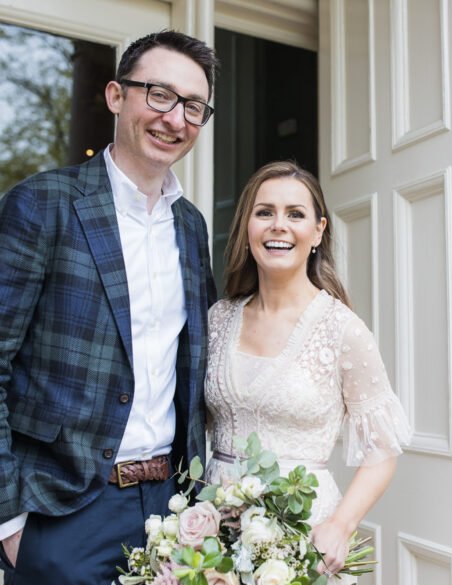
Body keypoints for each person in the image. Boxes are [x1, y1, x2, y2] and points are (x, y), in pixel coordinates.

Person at [0, 30, 218, 585]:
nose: (176, 118)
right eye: (160, 94)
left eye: (194, 106)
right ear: (117, 96)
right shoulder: (41, 204)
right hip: (62, 512)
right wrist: (9, 520)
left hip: (170, 511)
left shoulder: (191, 226)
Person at [205, 161, 412, 583]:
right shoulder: (218, 319)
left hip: (301, 542)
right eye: (265, 212)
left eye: (295, 214)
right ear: (247, 226)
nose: (278, 226)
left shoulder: (342, 329)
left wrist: (340, 526)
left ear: (318, 231)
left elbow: (382, 448)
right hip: (215, 539)